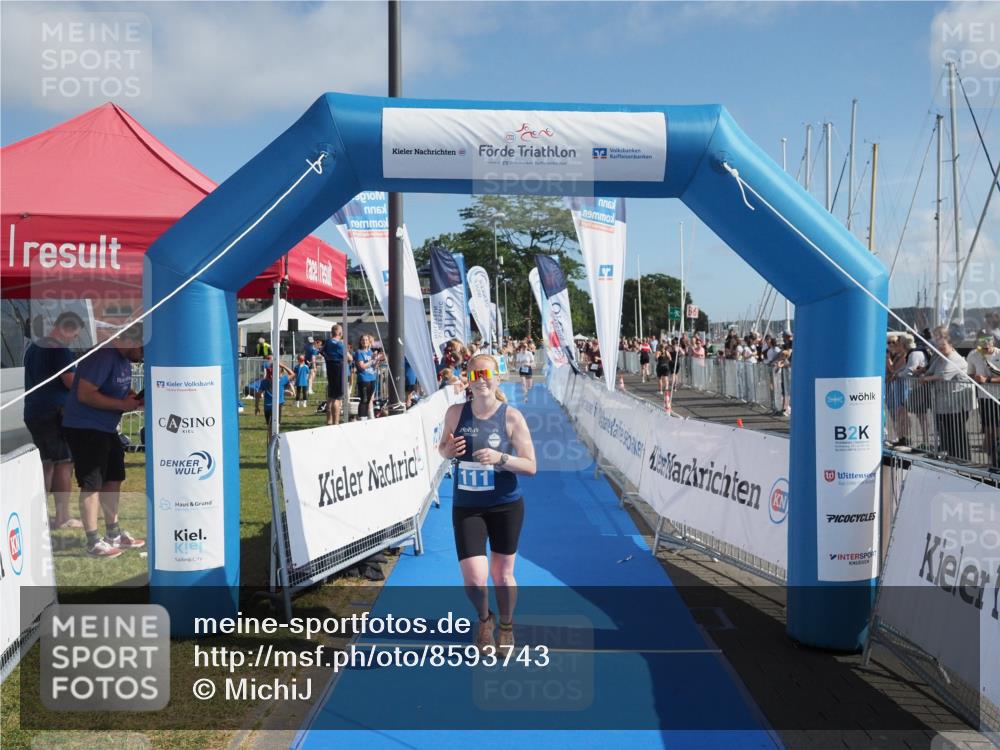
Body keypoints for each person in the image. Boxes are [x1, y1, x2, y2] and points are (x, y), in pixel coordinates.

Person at [438, 353, 537, 652]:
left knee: (502, 575)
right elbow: (443, 449)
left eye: (486, 375)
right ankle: (485, 619)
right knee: (474, 580)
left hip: (505, 505)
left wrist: (501, 458)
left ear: (497, 378)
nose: (481, 380)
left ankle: (506, 625)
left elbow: (531, 466)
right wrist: (449, 450)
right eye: (474, 375)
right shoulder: (455, 413)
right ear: (467, 380)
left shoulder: (511, 417)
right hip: (468, 506)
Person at [61, 325, 145, 558]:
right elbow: (85, 394)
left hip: (106, 427)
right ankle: (93, 541)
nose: (144, 354)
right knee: (92, 483)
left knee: (114, 478)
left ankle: (113, 533)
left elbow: (120, 389)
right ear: (129, 340)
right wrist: (121, 405)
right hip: (85, 426)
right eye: (142, 348)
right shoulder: (104, 355)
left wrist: (132, 398)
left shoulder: (123, 359)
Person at [23, 312, 84, 530]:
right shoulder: (59, 348)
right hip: (53, 413)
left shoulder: (34, 348)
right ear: (66, 328)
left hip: (34, 411)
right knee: (64, 463)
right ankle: (63, 517)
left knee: (46, 464)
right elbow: (70, 381)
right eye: (74, 335)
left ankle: (38, 516)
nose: (74, 340)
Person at [920, 326, 971, 461]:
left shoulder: (955, 359)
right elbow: (931, 371)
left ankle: (963, 458)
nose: (941, 348)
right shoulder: (940, 358)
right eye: (939, 346)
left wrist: (926, 379)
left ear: (951, 345)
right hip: (945, 403)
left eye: (943, 346)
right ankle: (952, 455)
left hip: (958, 403)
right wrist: (925, 374)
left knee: (957, 430)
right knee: (947, 430)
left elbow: (944, 375)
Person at [967, 332, 1000, 469]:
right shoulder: (974, 355)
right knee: (988, 429)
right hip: (984, 397)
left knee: (997, 429)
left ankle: (996, 460)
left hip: (998, 397)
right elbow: (969, 374)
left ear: (993, 342)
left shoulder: (998, 354)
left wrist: (987, 380)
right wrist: (976, 379)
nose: (986, 346)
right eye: (983, 344)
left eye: (989, 343)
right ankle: (992, 461)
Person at [353, 334, 382, 420]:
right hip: (364, 378)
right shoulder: (359, 352)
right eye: (363, 340)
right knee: (364, 400)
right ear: (360, 342)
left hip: (372, 378)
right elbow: (362, 366)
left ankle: (369, 416)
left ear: (369, 342)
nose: (364, 341)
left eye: (366, 340)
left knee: (370, 400)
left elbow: (374, 366)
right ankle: (362, 418)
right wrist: (372, 360)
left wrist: (378, 360)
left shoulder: (370, 352)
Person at [322, 325, 346, 426]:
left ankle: (329, 420)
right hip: (338, 369)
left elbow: (322, 351)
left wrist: (328, 358)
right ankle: (336, 422)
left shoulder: (327, 342)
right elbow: (348, 357)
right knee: (337, 398)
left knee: (331, 397)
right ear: (340, 333)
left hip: (330, 368)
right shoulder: (340, 344)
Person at [261, 362, 295, 429]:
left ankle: (272, 438)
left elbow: (258, 393)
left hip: (268, 405)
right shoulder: (282, 380)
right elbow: (292, 374)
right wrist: (284, 366)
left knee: (270, 427)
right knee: (276, 426)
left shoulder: (265, 381)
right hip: (277, 404)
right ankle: (274, 438)